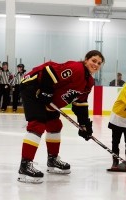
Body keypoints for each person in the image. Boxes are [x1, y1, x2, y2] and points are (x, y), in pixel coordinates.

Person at [17, 50, 105, 184]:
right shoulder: (77, 68)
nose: (96, 64)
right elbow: (48, 70)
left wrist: (84, 125)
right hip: (33, 87)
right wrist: (46, 91)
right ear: (86, 60)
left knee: (55, 125)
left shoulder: (89, 82)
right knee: (37, 124)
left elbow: (80, 104)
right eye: (93, 60)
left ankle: (52, 160)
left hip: (48, 96)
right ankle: (25, 165)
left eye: (99, 63)